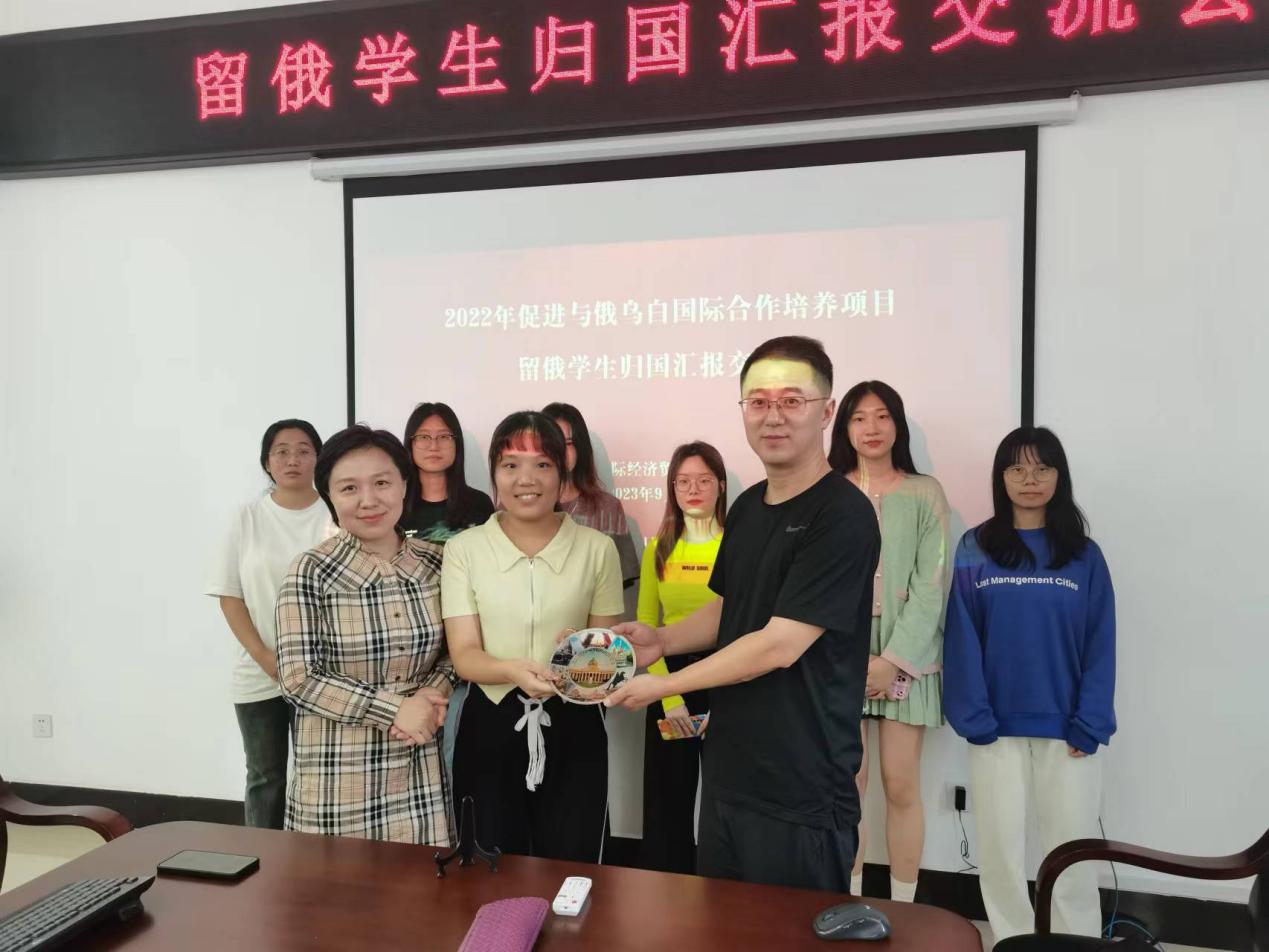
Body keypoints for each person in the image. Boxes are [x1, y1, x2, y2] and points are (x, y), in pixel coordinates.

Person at [606, 336, 879, 892]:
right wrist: (662, 640)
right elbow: (732, 608)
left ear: (826, 410)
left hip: (801, 784)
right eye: (758, 402)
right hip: (730, 773)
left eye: (791, 400)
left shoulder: (843, 514)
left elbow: (779, 644)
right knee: (723, 925)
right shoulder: (750, 507)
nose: (773, 416)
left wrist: (666, 686)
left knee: (790, 930)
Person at [944, 426, 1115, 942]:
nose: (1029, 479)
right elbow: (962, 636)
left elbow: (1101, 641)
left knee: (1072, 853)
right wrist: (974, 718)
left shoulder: (1084, 555)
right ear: (1002, 478)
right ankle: (1013, 942)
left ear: (1059, 476)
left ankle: (1076, 943)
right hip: (994, 729)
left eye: (1042, 468)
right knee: (1000, 851)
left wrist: (1090, 721)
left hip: (1070, 730)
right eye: (1016, 468)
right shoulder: (976, 547)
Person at [442, 411, 624, 862]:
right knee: (489, 862)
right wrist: (511, 670)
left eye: (542, 464)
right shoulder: (464, 550)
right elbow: (465, 655)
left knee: (574, 862)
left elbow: (608, 659)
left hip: (575, 724)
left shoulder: (597, 549)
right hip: (489, 722)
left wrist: (579, 654)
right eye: (511, 465)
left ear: (563, 474)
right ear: (494, 474)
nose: (527, 479)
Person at [275, 425, 456, 844]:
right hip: (338, 775)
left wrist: (432, 693)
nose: (369, 500)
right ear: (329, 496)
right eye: (349, 488)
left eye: (382, 483)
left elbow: (456, 651)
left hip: (419, 765)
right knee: (338, 884)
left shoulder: (438, 563)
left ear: (404, 484)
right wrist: (394, 709)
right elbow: (298, 678)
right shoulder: (310, 571)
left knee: (421, 881)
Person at [828, 381, 950, 903]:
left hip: (907, 658)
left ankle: (906, 910)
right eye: (859, 418)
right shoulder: (828, 491)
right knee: (847, 788)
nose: (871, 428)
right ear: (844, 427)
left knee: (901, 785)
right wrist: (855, 658)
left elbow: (932, 584)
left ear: (897, 425)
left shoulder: (925, 493)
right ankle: (849, 902)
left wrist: (893, 660)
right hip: (840, 657)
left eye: (881, 416)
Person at [205, 418, 330, 829]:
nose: (293, 459)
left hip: (325, 673)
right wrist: (265, 656)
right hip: (260, 671)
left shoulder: (335, 513)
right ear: (266, 462)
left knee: (320, 778)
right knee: (265, 777)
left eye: (304, 450)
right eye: (282, 451)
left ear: (319, 459)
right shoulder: (247, 517)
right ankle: (264, 858)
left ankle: (316, 857)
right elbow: (230, 595)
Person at [636, 441, 728, 874]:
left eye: (703, 480)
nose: (693, 489)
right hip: (668, 682)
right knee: (667, 796)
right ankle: (665, 888)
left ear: (720, 485)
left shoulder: (736, 546)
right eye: (683, 481)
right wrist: (669, 697)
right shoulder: (658, 548)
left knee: (726, 796)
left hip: (727, 676)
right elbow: (646, 628)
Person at [542, 402, 639, 593]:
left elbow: (618, 584)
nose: (561, 452)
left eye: (569, 443)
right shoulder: (518, 506)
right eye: (553, 443)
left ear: (581, 448)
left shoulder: (608, 508)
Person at [400, 401, 494, 543]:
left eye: (444, 437)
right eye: (424, 437)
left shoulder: (480, 504)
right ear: (410, 444)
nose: (434, 446)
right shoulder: (396, 507)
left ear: (457, 444)